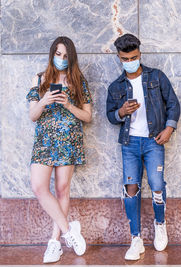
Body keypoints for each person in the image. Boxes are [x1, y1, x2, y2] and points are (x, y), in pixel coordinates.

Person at [106, 33, 180, 260]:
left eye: (134, 57)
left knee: (157, 184)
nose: (130, 61)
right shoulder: (116, 86)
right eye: (125, 58)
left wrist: (168, 129)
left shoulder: (156, 77)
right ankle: (135, 239)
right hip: (129, 143)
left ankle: (160, 224)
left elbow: (174, 105)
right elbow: (110, 115)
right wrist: (121, 112)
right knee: (130, 188)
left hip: (153, 140)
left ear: (140, 53)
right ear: (119, 58)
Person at [26, 36, 92, 263]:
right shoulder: (39, 79)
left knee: (63, 189)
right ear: (52, 53)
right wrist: (44, 100)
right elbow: (33, 116)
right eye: (58, 54)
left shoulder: (78, 81)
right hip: (44, 142)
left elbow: (88, 116)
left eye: (65, 56)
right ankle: (69, 231)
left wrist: (68, 105)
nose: (61, 59)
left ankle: (54, 243)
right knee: (38, 187)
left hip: (68, 140)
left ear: (70, 58)